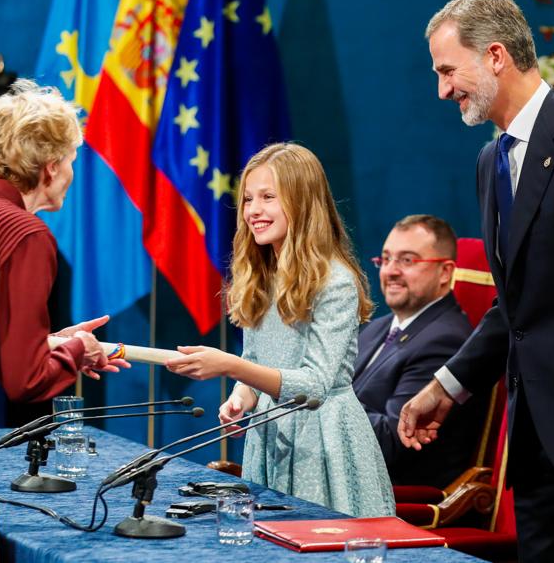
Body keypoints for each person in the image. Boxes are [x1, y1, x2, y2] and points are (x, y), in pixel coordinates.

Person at [0, 80, 130, 563]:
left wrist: (53, 343)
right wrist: (78, 350)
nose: (71, 175)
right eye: (72, 163)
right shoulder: (25, 234)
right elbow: (25, 381)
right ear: (50, 167)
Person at [398, 0, 554, 562]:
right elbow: (514, 309)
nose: (442, 89)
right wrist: (445, 386)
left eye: (447, 70)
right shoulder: (491, 163)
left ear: (494, 56)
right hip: (535, 449)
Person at [166, 143, 395, 517]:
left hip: (321, 442)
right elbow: (255, 359)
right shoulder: (260, 277)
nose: (254, 210)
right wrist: (242, 397)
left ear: (303, 203)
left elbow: (315, 385)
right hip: (269, 436)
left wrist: (229, 368)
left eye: (268, 198)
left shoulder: (334, 281)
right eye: (248, 200)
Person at [354, 215, 486, 488]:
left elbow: (391, 441)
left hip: (393, 502)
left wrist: (319, 400)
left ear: (445, 272)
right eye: (386, 259)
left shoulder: (447, 341)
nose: (390, 271)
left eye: (407, 260)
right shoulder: (375, 328)